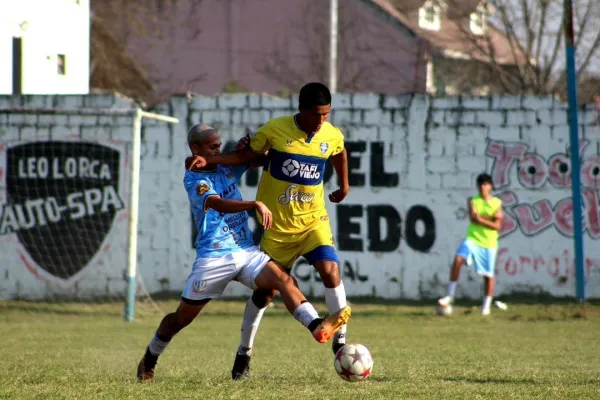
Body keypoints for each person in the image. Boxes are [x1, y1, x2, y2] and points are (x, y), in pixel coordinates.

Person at [136, 124, 351, 382]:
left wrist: (249, 149)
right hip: (214, 257)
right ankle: (150, 357)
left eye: (220, 145)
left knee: (284, 281)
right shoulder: (195, 177)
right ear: (196, 149)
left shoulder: (224, 167)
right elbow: (216, 203)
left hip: (246, 252)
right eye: (212, 147)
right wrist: (254, 204)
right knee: (181, 319)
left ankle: (317, 326)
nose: (218, 150)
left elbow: (259, 160)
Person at [187, 83, 351, 380]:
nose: (321, 120)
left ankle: (340, 343)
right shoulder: (275, 130)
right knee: (265, 294)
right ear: (301, 110)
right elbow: (244, 157)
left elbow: (339, 151)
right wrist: (209, 161)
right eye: (316, 114)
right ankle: (243, 353)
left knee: (330, 270)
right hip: (278, 226)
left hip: (313, 221)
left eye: (326, 114)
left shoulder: (331, 134)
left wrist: (344, 184)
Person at [437, 173, 504, 316]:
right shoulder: (473, 200)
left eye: (485, 184)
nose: (482, 187)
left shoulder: (497, 202)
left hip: (489, 243)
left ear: (490, 186)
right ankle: (450, 295)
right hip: (473, 239)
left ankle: (486, 307)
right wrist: (490, 218)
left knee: (488, 275)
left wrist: (482, 219)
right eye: (480, 184)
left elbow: (497, 226)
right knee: (458, 259)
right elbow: (474, 219)